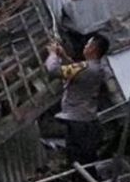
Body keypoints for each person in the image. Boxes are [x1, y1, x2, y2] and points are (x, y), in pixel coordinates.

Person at [45, 34, 109, 165]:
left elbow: (53, 70)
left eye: (87, 44)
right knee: (86, 158)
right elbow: (76, 72)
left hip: (77, 122)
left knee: (78, 160)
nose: (85, 47)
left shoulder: (86, 68)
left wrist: (53, 54)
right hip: (86, 120)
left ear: (93, 49)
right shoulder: (97, 68)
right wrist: (63, 56)